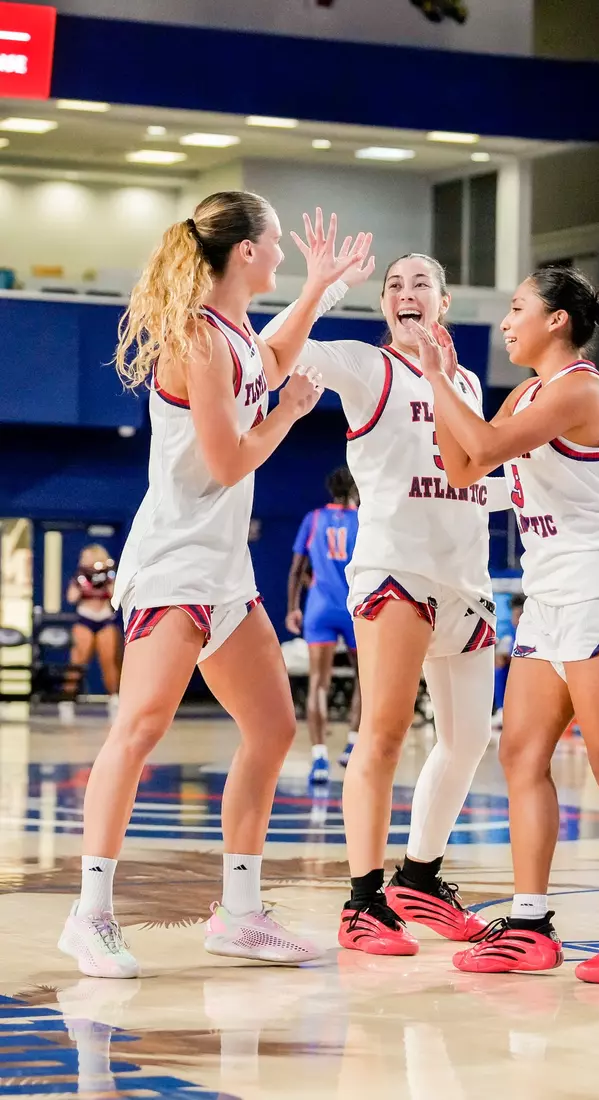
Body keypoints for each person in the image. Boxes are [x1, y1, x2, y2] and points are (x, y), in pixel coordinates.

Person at [58, 193, 367, 979]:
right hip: (173, 567)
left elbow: (272, 356)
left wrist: (322, 288)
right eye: (275, 240)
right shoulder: (195, 336)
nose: (281, 251)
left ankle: (238, 913)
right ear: (247, 253)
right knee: (140, 728)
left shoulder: (232, 333)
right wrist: (294, 413)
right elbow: (230, 459)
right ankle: (89, 915)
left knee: (271, 729)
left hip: (224, 577)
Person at [416, 267, 599, 984]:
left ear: (557, 321)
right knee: (520, 758)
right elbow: (464, 466)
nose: (506, 321)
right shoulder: (530, 392)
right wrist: (442, 387)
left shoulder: (580, 389)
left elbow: (486, 451)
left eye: (517, 308)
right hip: (547, 594)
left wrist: (439, 378)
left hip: (598, 587)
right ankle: (530, 923)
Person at [262, 239, 514, 955]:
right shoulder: (367, 366)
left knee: (466, 740)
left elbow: (471, 479)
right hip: (396, 571)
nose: (408, 291)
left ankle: (420, 878)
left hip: (466, 577)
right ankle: (362, 902)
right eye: (396, 284)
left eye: (422, 282)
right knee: (383, 733)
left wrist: (522, 485)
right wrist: (321, 288)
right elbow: (272, 348)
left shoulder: (463, 384)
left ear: (444, 303)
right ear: (385, 304)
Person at [287, 465, 361, 782]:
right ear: (357, 490)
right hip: (356, 607)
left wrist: (293, 608)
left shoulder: (313, 519)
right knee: (365, 679)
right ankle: (352, 746)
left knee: (318, 682)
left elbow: (296, 570)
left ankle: (319, 758)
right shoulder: (364, 520)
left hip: (319, 607)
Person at [61, 545, 122, 723]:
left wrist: (105, 581)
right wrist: (83, 586)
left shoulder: (109, 575)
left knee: (109, 660)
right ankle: (67, 699)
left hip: (105, 619)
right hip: (85, 618)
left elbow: (115, 596)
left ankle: (114, 698)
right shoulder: (79, 577)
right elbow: (71, 597)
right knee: (78, 660)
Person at [493, 592, 524, 727]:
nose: (516, 620)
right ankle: (501, 710)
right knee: (498, 666)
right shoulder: (510, 634)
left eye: (519, 616)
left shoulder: (534, 632)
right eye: (514, 616)